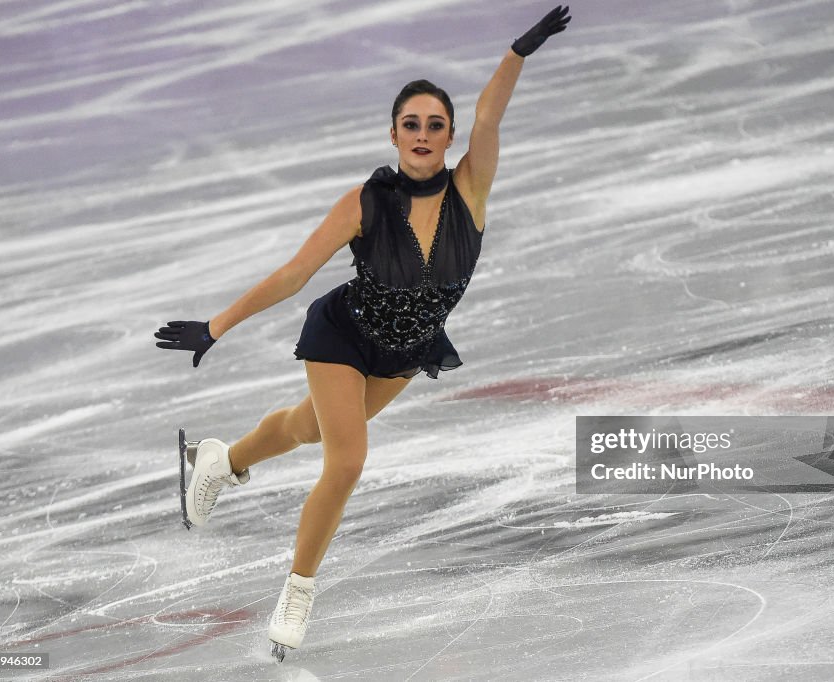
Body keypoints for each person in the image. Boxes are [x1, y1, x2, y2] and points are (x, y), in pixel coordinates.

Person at [154, 5, 571, 660]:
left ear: (451, 134)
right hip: (342, 335)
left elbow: (491, 115)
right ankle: (298, 591)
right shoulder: (365, 204)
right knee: (346, 461)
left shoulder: (472, 189)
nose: (424, 134)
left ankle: (223, 460)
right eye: (412, 124)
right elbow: (295, 273)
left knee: (310, 426)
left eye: (437, 125)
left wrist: (517, 53)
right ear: (394, 134)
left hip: (406, 351)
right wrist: (216, 325)